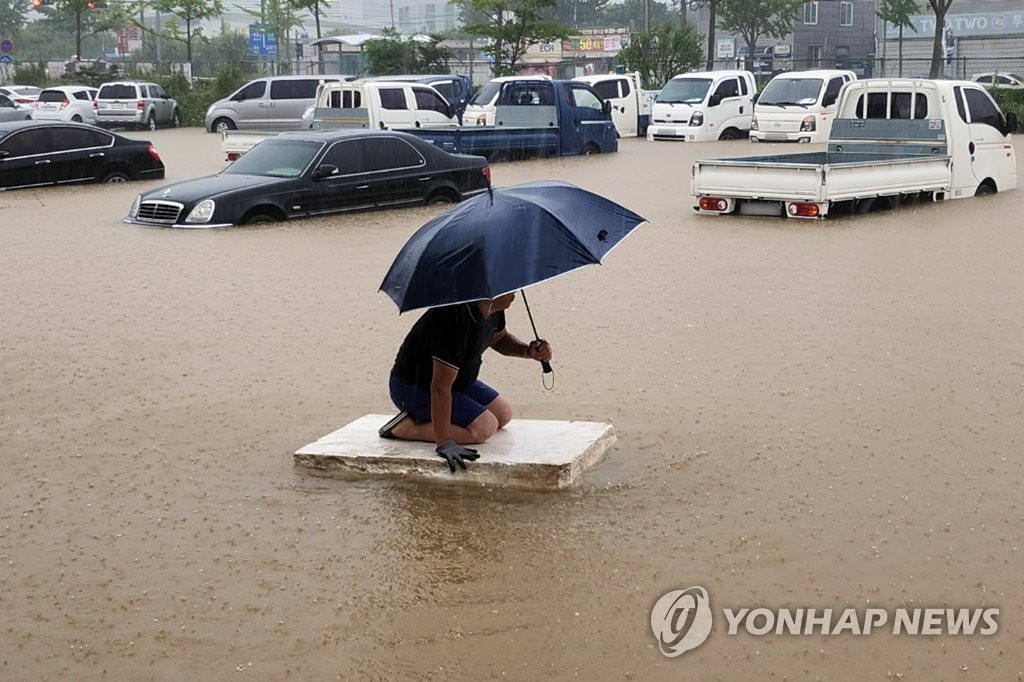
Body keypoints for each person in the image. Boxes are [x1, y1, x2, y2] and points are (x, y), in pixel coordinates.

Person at [379, 292, 553, 472]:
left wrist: (527, 351)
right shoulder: (454, 321)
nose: (514, 292)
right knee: (484, 428)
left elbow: (499, 339)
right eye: (509, 288)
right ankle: (407, 428)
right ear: (488, 291)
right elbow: (439, 387)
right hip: (413, 387)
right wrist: (444, 442)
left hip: (456, 382)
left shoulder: (494, 310)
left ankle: (433, 418)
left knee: (503, 413)